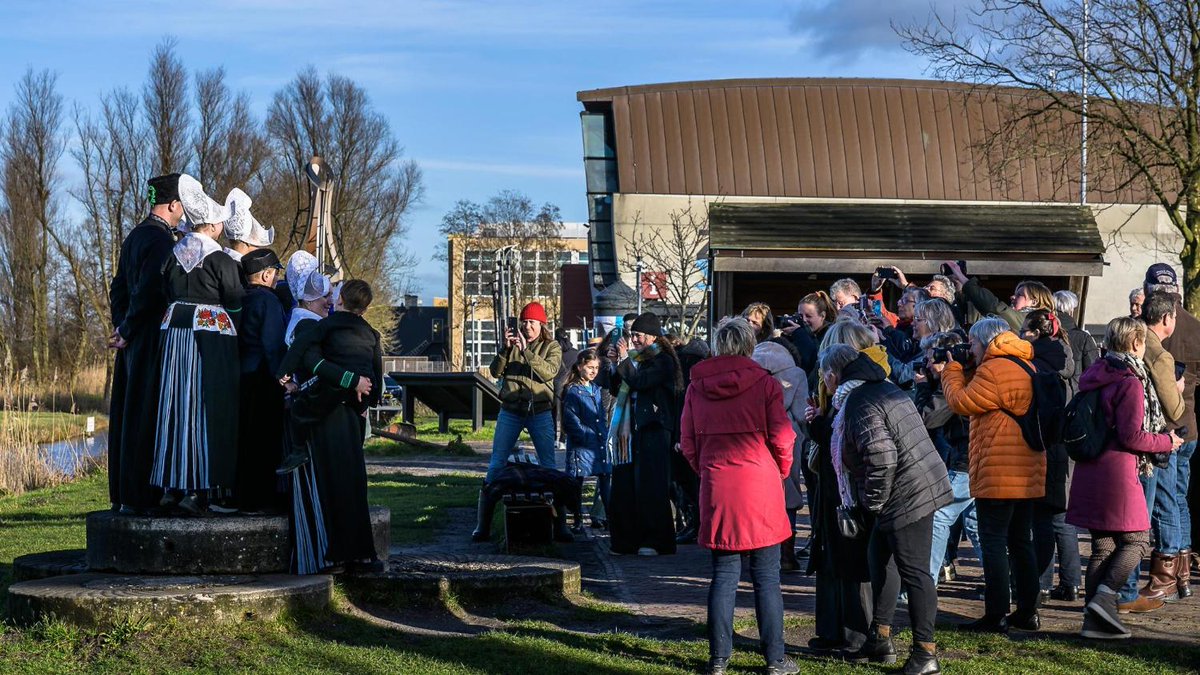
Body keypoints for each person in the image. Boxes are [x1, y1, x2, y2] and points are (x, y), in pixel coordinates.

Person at [820, 344, 951, 674]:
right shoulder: (878, 389)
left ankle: (925, 653)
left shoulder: (859, 403)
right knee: (880, 561)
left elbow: (882, 458)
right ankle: (880, 638)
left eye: (824, 377)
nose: (823, 384)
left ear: (834, 375)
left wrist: (873, 503)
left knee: (915, 572)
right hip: (909, 486)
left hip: (908, 493)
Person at [680, 318, 798, 675]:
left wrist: (706, 468)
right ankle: (775, 659)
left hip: (718, 482)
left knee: (724, 575)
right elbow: (782, 435)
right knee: (767, 577)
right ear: (749, 345)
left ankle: (718, 659)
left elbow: (687, 440)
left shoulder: (697, 387)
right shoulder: (765, 383)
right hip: (759, 480)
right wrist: (780, 469)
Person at [1067, 317, 1183, 639]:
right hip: (1118, 472)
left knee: (1103, 547)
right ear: (1135, 344)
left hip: (1090, 470)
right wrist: (1167, 442)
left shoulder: (1097, 373)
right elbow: (1132, 435)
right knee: (1137, 540)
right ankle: (1104, 598)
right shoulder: (1130, 381)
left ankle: (1092, 624)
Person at [941, 318, 1045, 633]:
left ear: (987, 342)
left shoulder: (994, 370)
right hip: (1026, 469)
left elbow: (961, 402)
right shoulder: (1025, 364)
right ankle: (1028, 610)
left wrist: (951, 370)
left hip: (999, 471)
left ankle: (996, 613)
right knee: (1021, 541)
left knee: (994, 542)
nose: (969, 349)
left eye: (972, 343)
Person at [150, 175, 243, 515]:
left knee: (173, 406)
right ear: (215, 227)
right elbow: (235, 300)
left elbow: (162, 293)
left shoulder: (172, 255)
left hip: (173, 330)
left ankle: (169, 486)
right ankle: (199, 487)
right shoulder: (221, 261)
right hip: (210, 337)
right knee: (205, 406)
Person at [279, 279, 384, 574]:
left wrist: (283, 375)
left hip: (323, 414)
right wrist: (362, 396)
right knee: (353, 484)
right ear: (365, 307)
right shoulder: (371, 334)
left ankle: (330, 555)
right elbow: (375, 380)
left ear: (339, 300)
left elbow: (308, 358)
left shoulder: (320, 328)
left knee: (328, 484)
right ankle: (361, 554)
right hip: (352, 413)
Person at [108, 173, 184, 514]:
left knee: (128, 412)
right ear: (173, 204)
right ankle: (142, 496)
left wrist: (121, 327)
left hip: (131, 338)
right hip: (150, 336)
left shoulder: (135, 236)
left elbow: (118, 288)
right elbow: (150, 290)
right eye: (181, 206)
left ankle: (124, 493)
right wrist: (129, 328)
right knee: (146, 414)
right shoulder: (161, 241)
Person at [1123, 290, 1187, 611]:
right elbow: (1174, 411)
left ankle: (1133, 585)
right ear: (1166, 319)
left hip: (1128, 443)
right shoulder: (1158, 353)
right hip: (1152, 444)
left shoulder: (1129, 339)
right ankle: (1145, 586)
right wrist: (1178, 388)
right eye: (1174, 316)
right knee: (1152, 511)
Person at [602, 312, 682, 556]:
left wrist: (625, 361)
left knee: (651, 485)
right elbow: (615, 387)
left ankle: (656, 540)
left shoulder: (663, 360)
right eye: (632, 334)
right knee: (625, 483)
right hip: (631, 430)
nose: (633, 339)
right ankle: (626, 540)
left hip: (655, 427)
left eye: (637, 335)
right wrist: (616, 364)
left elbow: (642, 382)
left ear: (651, 336)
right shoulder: (635, 359)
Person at [1146, 264, 1200, 602]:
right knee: (1178, 498)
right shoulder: (1196, 327)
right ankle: (1181, 575)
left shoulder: (1150, 327)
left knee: (1165, 501)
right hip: (1191, 426)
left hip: (1166, 428)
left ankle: (1165, 575)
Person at [1019, 309, 1079, 604]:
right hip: (1062, 445)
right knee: (1061, 517)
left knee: (1043, 518)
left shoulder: (1039, 363)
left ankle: (1040, 585)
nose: (1021, 335)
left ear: (1036, 334)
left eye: (1025, 331)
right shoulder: (1064, 357)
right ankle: (1071, 582)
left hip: (1046, 444)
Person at [917, 332, 983, 587]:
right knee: (975, 523)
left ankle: (926, 585)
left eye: (931, 357)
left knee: (938, 517)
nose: (926, 363)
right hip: (970, 460)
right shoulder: (961, 380)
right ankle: (1007, 585)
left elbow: (927, 419)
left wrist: (924, 387)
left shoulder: (953, 384)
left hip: (965, 463)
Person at [233, 248, 287, 513]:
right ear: (266, 274)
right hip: (263, 378)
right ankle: (260, 499)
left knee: (242, 439)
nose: (277, 278)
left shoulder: (238, 298)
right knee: (264, 442)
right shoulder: (269, 302)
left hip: (239, 377)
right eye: (275, 273)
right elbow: (273, 344)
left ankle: (240, 496)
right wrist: (284, 378)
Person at [752, 332, 809, 571]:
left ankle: (760, 549)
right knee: (789, 492)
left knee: (758, 495)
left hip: (755, 436)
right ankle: (786, 554)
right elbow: (801, 412)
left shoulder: (750, 372)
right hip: (787, 435)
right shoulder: (796, 374)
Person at [486, 302, 562, 481]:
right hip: (511, 410)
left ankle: (554, 504)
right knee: (497, 460)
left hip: (539, 411)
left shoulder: (552, 346)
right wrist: (505, 349)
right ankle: (487, 501)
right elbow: (495, 372)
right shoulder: (510, 346)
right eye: (524, 322)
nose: (527, 326)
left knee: (548, 462)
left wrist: (526, 351)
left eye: (532, 322)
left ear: (541, 325)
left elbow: (549, 372)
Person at [562, 349, 610, 533]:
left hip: (598, 441)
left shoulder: (596, 389)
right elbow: (571, 420)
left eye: (596, 368)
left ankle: (608, 516)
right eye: (590, 367)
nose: (593, 371)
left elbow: (601, 415)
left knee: (605, 477)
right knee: (577, 482)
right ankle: (577, 518)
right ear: (580, 366)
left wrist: (602, 434)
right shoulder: (573, 391)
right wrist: (585, 436)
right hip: (582, 443)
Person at [945, 260, 1053, 331]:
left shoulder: (1031, 320)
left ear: (1034, 302)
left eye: (1019, 295)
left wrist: (962, 277)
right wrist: (960, 290)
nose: (1012, 297)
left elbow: (994, 308)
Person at [220, 187, 275, 266]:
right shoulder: (245, 269)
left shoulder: (218, 260)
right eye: (257, 245)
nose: (258, 249)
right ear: (248, 242)